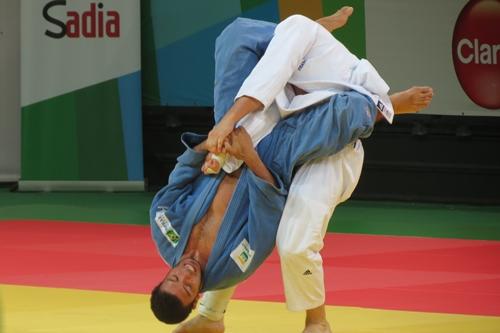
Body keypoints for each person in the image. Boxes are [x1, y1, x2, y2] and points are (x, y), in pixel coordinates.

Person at [150, 7, 433, 333]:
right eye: (187, 286)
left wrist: (208, 147)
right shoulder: (232, 265)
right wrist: (250, 157)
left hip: (231, 139)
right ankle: (386, 104)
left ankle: (305, 42)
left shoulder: (164, 229)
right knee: (342, 115)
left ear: (163, 276)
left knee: (236, 37)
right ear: (197, 295)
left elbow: (181, 175)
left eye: (174, 277)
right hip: (268, 163)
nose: (184, 274)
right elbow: (270, 213)